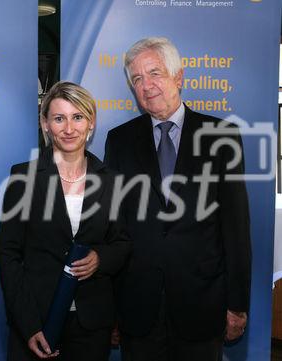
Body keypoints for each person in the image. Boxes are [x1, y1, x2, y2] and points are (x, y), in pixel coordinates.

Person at [104, 37, 251, 361]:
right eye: (138, 79)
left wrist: (237, 304)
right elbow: (114, 228)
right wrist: (110, 307)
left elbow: (236, 229)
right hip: (138, 308)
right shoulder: (120, 141)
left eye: (154, 73)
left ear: (179, 77)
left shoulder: (221, 136)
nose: (147, 85)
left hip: (203, 305)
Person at [0, 81, 132, 361]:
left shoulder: (112, 180)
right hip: (36, 322)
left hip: (92, 325)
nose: (69, 129)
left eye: (77, 117)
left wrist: (100, 258)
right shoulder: (23, 178)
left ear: (91, 122)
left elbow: (122, 243)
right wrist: (28, 324)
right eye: (59, 118)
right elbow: (8, 253)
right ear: (45, 124)